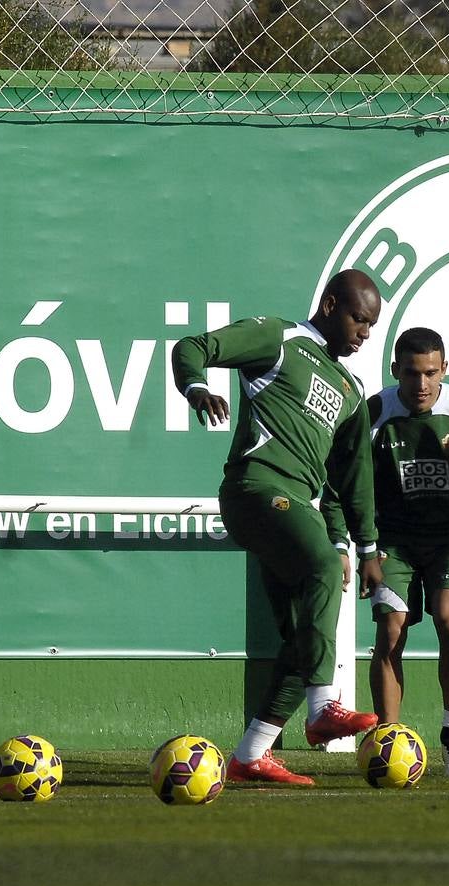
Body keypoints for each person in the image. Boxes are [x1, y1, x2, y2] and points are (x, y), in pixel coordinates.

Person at [171, 269, 385, 786]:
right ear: (331, 305)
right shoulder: (281, 339)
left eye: (372, 325)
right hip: (255, 489)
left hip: (299, 509)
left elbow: (350, 482)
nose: (364, 332)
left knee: (299, 642)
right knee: (319, 568)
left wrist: (362, 546)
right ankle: (323, 709)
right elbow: (192, 346)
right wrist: (197, 387)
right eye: (359, 318)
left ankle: (251, 754)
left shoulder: (352, 391)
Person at [323, 326, 449, 778]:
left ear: (444, 369)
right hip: (394, 541)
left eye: (430, 373)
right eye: (411, 373)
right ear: (395, 371)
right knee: (390, 633)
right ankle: (388, 739)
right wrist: (342, 542)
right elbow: (340, 480)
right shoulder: (374, 413)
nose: (421, 384)